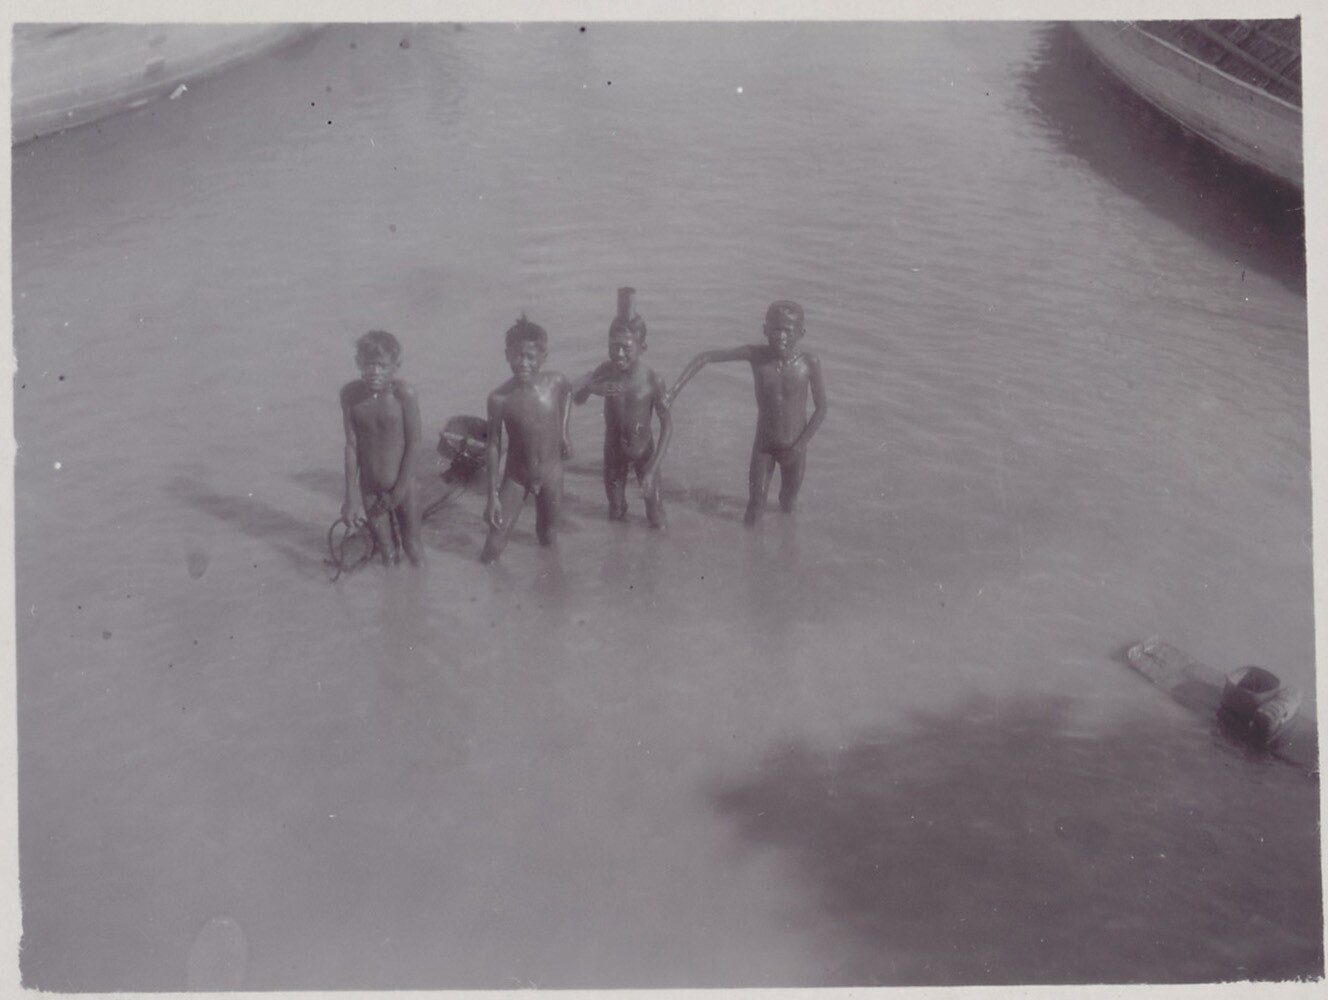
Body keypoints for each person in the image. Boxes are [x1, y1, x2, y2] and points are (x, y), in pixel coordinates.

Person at [666, 300, 827, 525]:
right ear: (765, 330)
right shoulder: (756, 355)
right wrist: (672, 393)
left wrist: (799, 447)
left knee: (788, 503)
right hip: (764, 447)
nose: (781, 336)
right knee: (754, 508)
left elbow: (821, 409)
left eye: (787, 331)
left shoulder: (810, 363)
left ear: (801, 333)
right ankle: (751, 544)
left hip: (795, 447)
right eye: (775, 329)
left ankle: (788, 542)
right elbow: (705, 357)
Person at [572, 288, 672, 528]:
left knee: (657, 516)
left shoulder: (652, 380)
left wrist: (652, 470)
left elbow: (668, 427)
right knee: (616, 512)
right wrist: (593, 388)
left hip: (644, 455)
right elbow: (577, 398)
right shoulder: (605, 371)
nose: (618, 354)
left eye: (626, 348)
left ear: (642, 347)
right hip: (613, 454)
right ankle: (617, 550)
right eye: (613, 346)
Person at [480, 316, 574, 563]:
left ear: (544, 356)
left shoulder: (555, 383)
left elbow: (568, 393)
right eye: (517, 356)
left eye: (531, 357)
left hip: (551, 473)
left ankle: (548, 580)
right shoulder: (499, 399)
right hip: (517, 477)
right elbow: (493, 445)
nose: (523, 363)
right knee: (493, 546)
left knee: (547, 536)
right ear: (507, 355)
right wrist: (492, 495)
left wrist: (564, 432)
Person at [340, 329, 424, 566]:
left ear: (396, 366)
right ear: (358, 362)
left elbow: (414, 444)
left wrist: (398, 492)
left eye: (382, 366)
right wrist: (350, 497)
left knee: (412, 547)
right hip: (369, 490)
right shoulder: (349, 395)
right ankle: (392, 589)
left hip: (403, 487)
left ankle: (422, 588)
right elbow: (351, 445)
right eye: (369, 365)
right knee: (387, 552)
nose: (375, 372)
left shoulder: (404, 395)